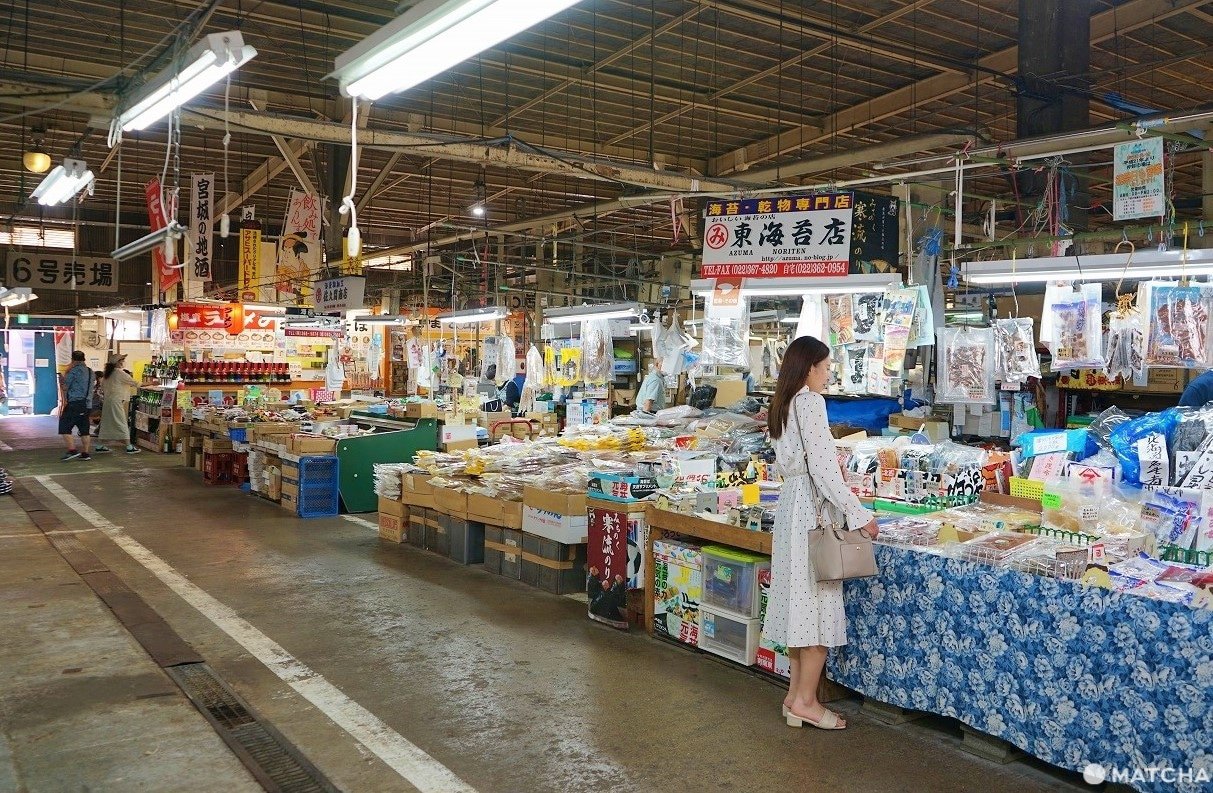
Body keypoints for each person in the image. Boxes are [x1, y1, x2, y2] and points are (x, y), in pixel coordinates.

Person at [764, 335, 878, 731]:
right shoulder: (810, 403)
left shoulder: (781, 405)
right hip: (813, 515)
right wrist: (858, 513)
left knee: (800, 608)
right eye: (826, 367)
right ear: (809, 367)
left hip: (791, 510)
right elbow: (825, 471)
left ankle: (795, 697)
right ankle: (809, 702)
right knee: (816, 610)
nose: (828, 374)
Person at [95, 354, 141, 454]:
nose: (123, 362)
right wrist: (152, 383)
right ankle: (129, 446)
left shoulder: (107, 373)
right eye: (122, 360)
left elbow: (103, 386)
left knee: (106, 423)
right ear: (117, 362)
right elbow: (135, 383)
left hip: (108, 401)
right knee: (122, 423)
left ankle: (100, 445)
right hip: (116, 401)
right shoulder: (119, 373)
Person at [58, 351, 94, 461]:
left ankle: (72, 450)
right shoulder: (90, 371)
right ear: (84, 359)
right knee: (84, 430)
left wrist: (62, 378)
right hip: (87, 404)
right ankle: (86, 453)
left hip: (75, 403)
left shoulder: (74, 371)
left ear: (73, 359)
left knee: (64, 427)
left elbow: (65, 387)